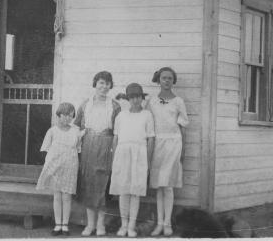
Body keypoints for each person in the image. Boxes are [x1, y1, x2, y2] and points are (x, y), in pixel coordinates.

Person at [74, 71, 121, 236]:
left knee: (102, 184)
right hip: (88, 146)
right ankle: (90, 224)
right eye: (101, 82)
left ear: (110, 86)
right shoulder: (85, 104)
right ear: (95, 84)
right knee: (88, 183)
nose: (104, 86)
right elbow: (77, 126)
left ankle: (101, 225)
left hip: (106, 146)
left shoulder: (115, 106)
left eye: (108, 83)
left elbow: (118, 130)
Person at [146, 67, 189, 236]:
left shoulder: (178, 101)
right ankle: (159, 223)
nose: (166, 81)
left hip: (173, 143)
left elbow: (183, 127)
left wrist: (183, 149)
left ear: (173, 81)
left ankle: (168, 223)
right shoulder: (151, 101)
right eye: (164, 78)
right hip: (157, 144)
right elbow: (147, 125)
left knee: (168, 186)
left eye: (170, 78)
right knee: (159, 186)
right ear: (158, 80)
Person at [110, 83, 156, 237]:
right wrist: (114, 158)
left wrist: (148, 161)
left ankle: (131, 226)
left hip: (139, 154)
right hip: (123, 154)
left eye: (138, 97)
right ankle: (123, 225)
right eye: (132, 97)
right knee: (124, 190)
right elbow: (115, 138)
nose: (135, 100)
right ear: (128, 99)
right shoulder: (121, 115)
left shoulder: (147, 115)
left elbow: (150, 139)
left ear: (142, 98)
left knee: (135, 191)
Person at [36, 102, 84, 236]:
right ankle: (57, 224)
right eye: (65, 115)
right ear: (59, 115)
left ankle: (65, 225)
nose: (68, 118)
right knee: (57, 195)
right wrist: (50, 166)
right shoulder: (52, 131)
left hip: (70, 166)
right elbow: (45, 150)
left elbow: (78, 149)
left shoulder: (75, 131)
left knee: (67, 196)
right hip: (56, 167)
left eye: (71, 116)